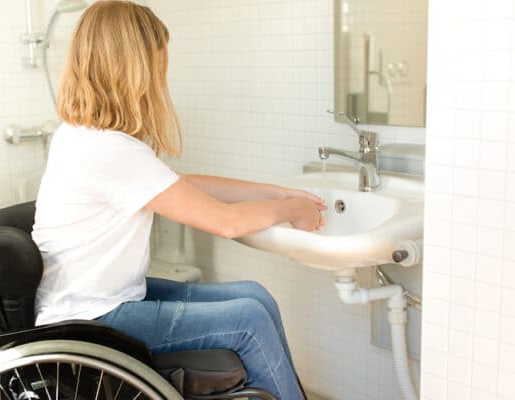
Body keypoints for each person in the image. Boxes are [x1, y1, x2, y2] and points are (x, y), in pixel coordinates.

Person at [31, 1, 326, 399]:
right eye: (155, 64)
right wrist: (293, 209)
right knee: (249, 319)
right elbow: (228, 222)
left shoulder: (85, 135)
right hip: (92, 320)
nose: (159, 76)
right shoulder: (108, 149)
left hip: (101, 302)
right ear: (131, 67)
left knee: (257, 296)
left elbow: (184, 185)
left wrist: (276, 192)